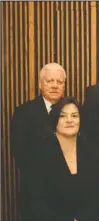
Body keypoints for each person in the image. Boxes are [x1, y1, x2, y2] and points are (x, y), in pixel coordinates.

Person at [29, 97, 99, 221]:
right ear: (55, 120)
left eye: (74, 116)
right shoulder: (39, 154)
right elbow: (34, 202)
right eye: (62, 116)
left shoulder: (93, 151)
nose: (69, 120)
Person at [10, 62, 66, 220]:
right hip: (35, 197)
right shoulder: (23, 113)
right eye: (49, 81)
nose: (55, 86)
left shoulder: (75, 113)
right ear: (40, 84)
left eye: (59, 82)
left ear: (64, 85)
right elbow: (19, 153)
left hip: (69, 197)